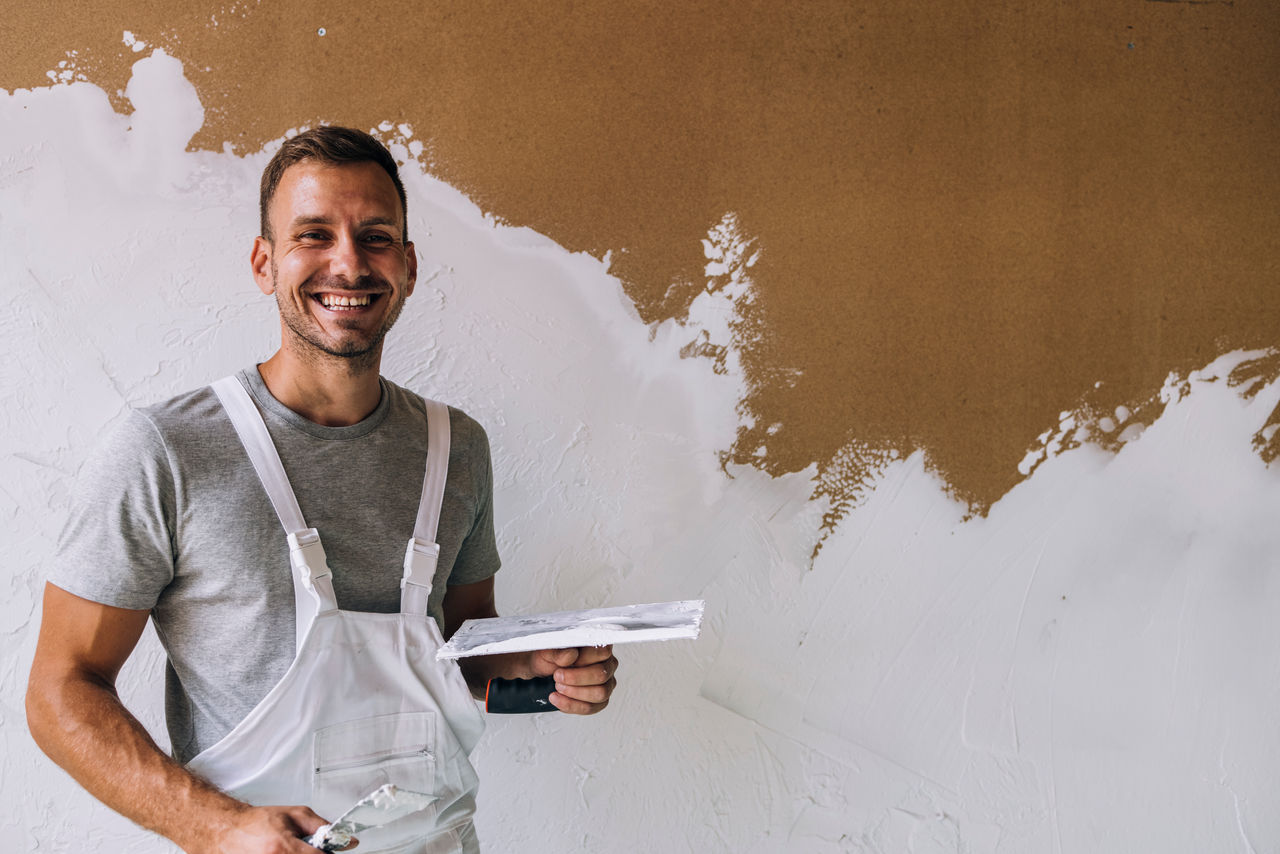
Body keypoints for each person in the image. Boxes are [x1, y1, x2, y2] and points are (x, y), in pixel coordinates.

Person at [25, 126, 618, 854]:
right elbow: (59, 691)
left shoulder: (455, 448)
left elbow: (457, 654)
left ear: (407, 265)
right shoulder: (166, 449)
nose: (348, 262)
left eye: (374, 237)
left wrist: (543, 674)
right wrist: (217, 828)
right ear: (263, 262)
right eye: (314, 235)